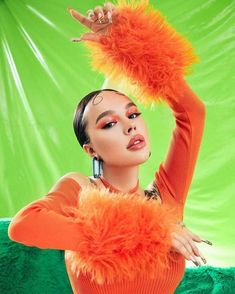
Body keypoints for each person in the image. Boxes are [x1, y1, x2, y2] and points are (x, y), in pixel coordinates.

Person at [8, 1, 212, 293]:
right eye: (108, 123)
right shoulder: (80, 191)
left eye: (132, 114)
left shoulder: (166, 198)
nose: (130, 126)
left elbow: (192, 114)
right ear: (91, 150)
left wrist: (128, 44)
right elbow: (23, 225)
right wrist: (151, 232)